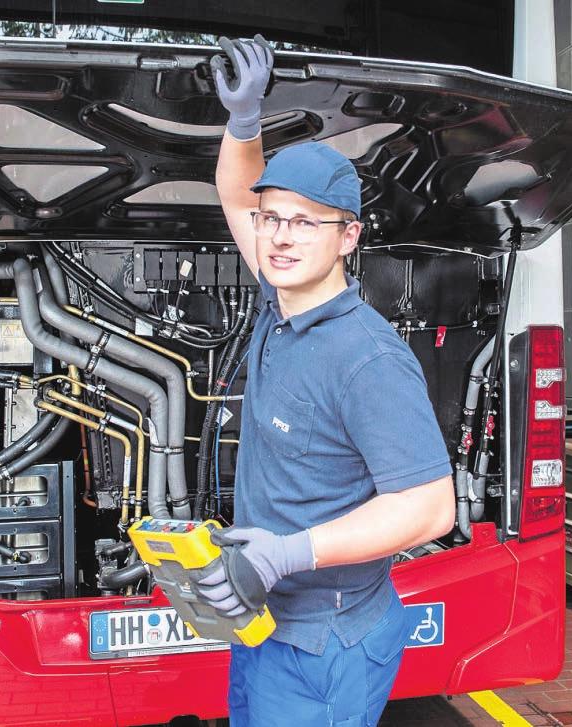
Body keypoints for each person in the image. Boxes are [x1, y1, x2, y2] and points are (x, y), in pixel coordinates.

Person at [195, 35, 456, 726]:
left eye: (306, 222)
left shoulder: (367, 359)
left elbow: (432, 508)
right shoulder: (279, 300)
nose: (281, 236)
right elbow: (235, 192)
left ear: (348, 237)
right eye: (273, 218)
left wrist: (285, 554)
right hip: (265, 622)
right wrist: (243, 120)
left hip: (327, 643)